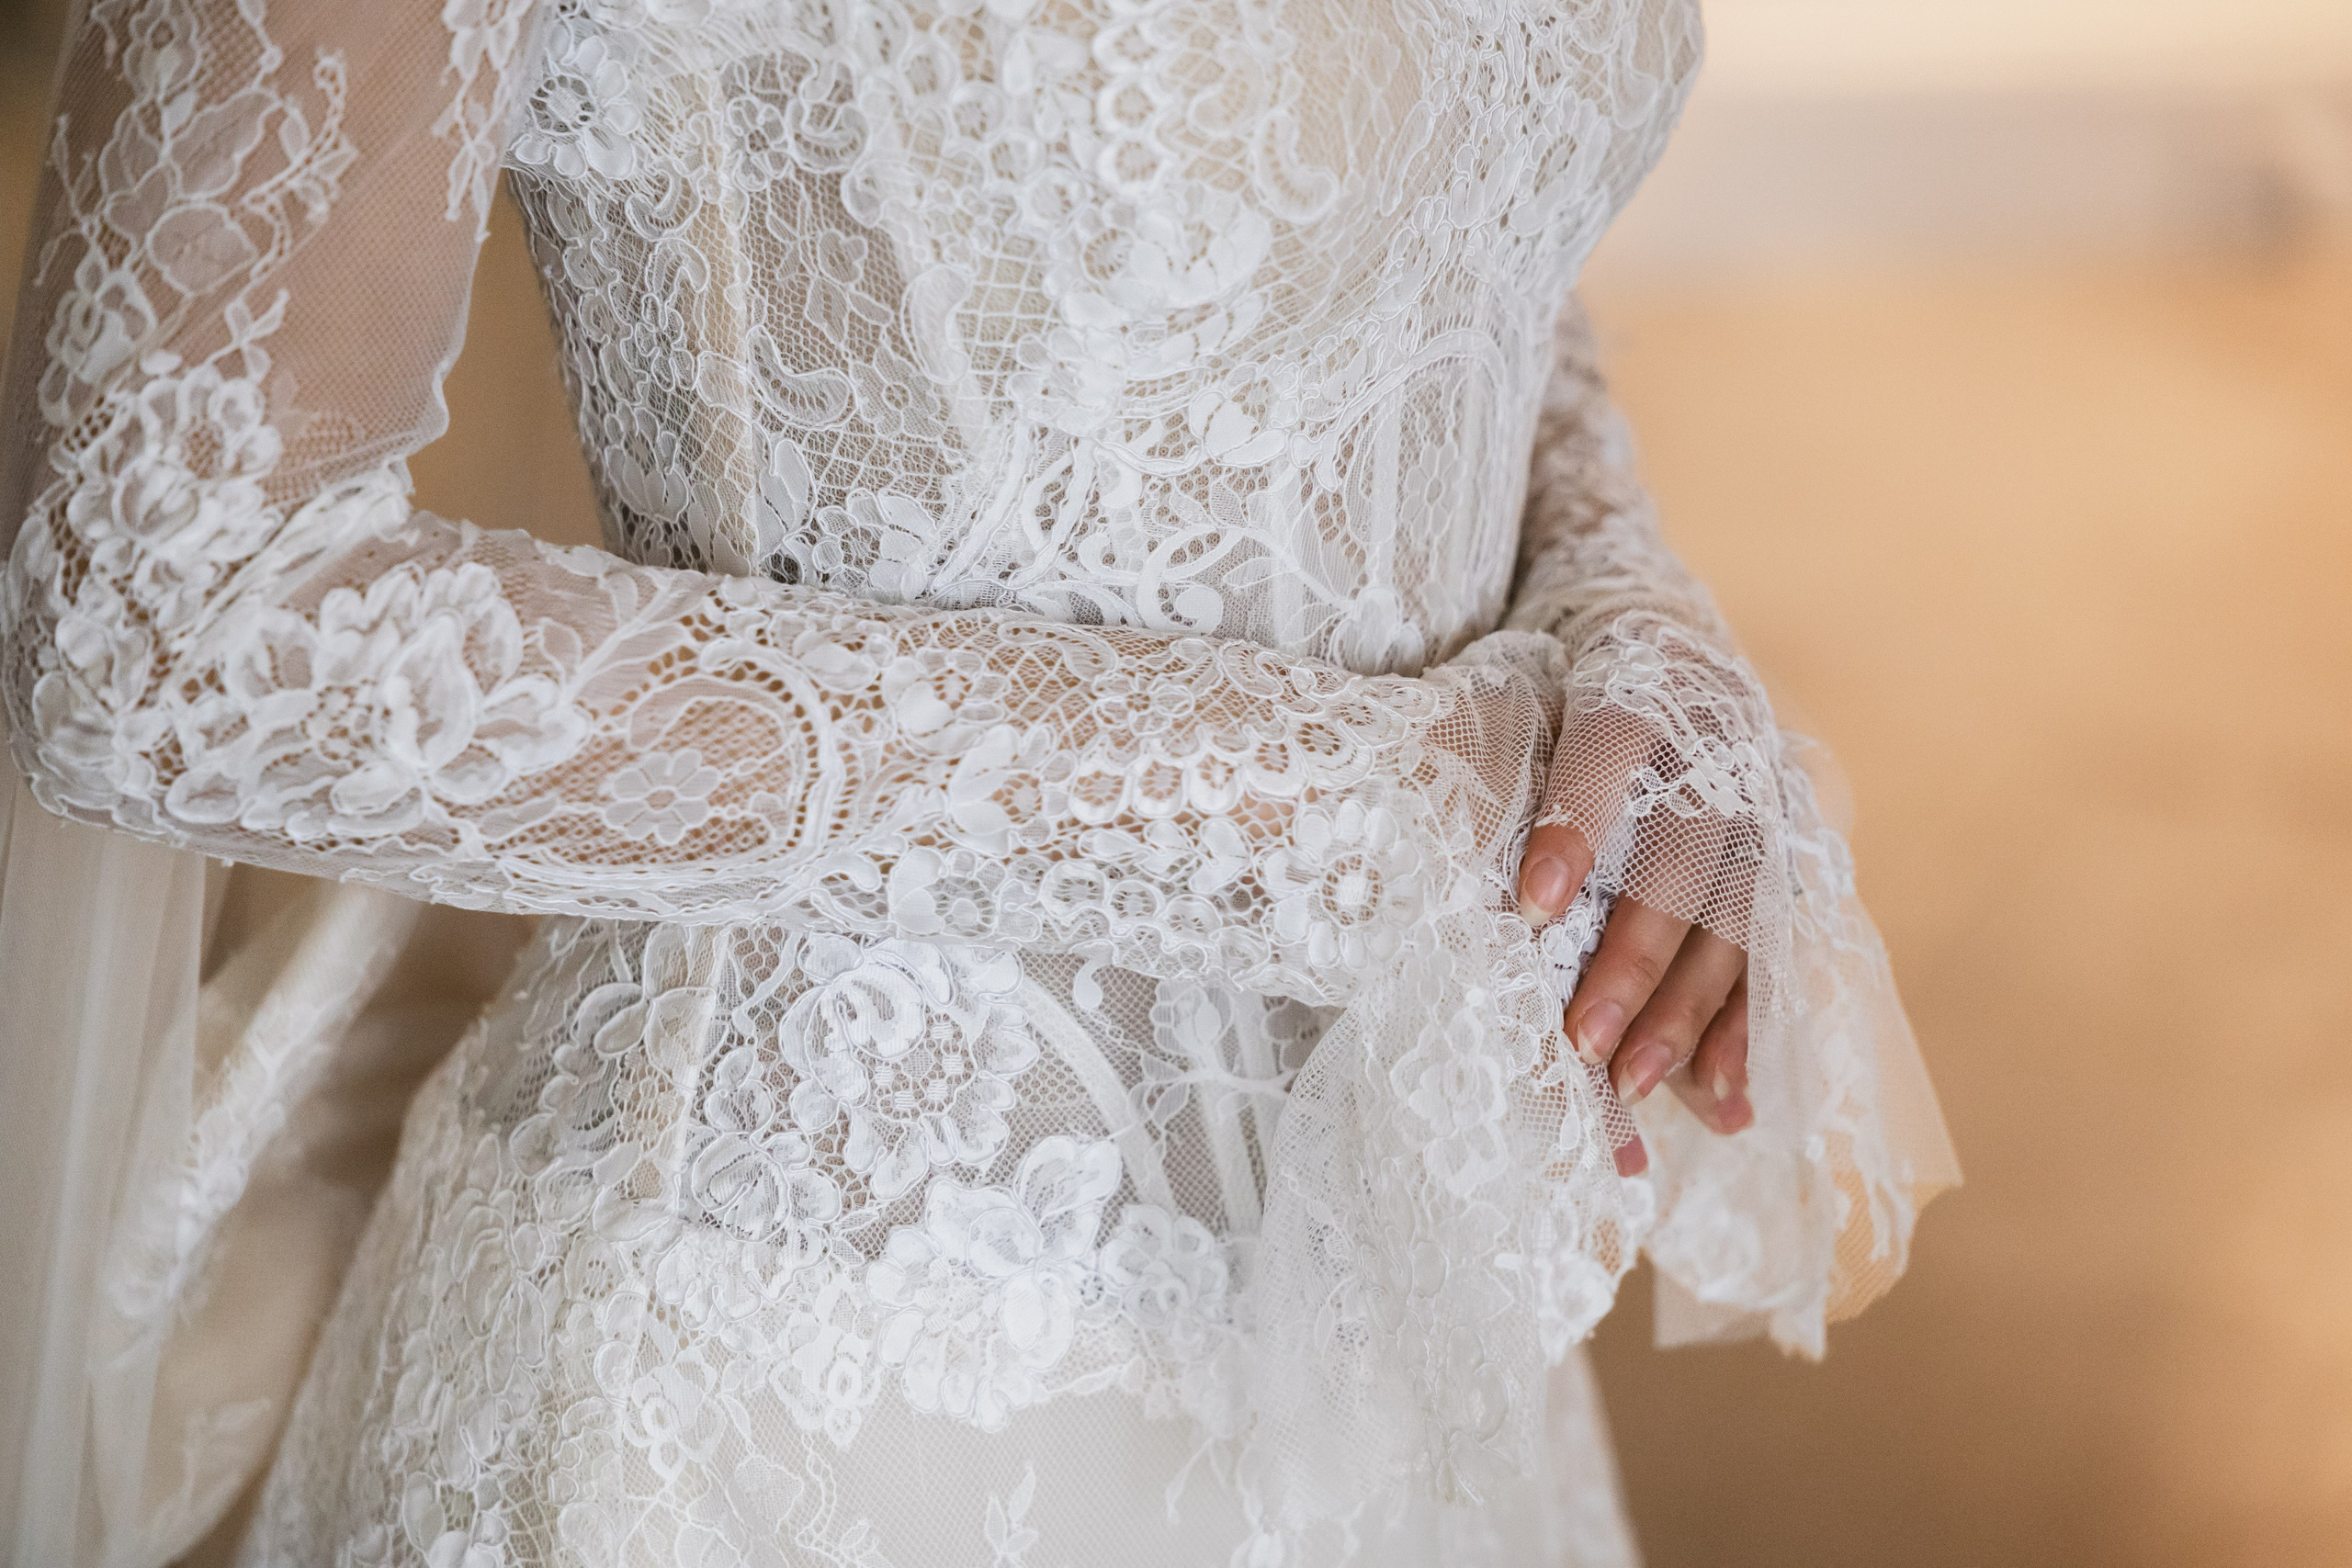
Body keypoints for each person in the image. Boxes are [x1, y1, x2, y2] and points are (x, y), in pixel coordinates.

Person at [0, 0, 1958, 1562]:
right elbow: (161, 609)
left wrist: (1629, 598)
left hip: (1388, 1295)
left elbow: (1431, 212)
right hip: (791, 1361)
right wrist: (1331, 805)